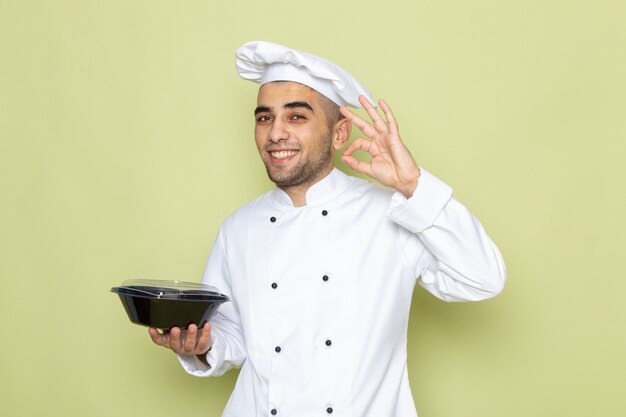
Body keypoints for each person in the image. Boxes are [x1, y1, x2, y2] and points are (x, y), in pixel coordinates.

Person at [149, 40, 506, 417]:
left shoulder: (393, 213)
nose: (275, 134)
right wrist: (200, 346)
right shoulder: (239, 228)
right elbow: (233, 336)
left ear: (339, 134)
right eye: (265, 117)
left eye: (297, 117)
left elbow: (482, 278)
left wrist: (413, 184)